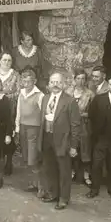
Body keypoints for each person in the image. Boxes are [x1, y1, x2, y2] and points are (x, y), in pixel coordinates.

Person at [37, 72, 81, 210]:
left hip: (63, 141)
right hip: (47, 138)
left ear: (63, 84)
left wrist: (74, 146)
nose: (55, 85)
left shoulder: (70, 101)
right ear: (49, 84)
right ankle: (53, 194)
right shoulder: (45, 98)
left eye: (58, 82)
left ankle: (63, 198)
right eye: (52, 82)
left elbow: (75, 125)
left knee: (64, 170)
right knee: (49, 168)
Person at [15, 67, 45, 195]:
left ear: (35, 81)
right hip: (23, 127)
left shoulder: (40, 95)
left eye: (29, 81)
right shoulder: (21, 93)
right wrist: (16, 129)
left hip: (34, 129)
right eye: (24, 81)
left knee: (33, 159)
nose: (26, 84)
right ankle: (33, 183)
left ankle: (42, 187)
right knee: (26, 158)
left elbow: (43, 114)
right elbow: (18, 112)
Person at [65, 69, 95, 186]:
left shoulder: (90, 94)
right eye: (78, 78)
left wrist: (82, 114)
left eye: (83, 78)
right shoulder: (68, 92)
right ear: (74, 79)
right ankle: (71, 172)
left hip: (84, 125)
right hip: (70, 125)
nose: (80, 81)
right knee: (71, 147)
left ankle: (86, 174)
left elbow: (93, 112)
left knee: (85, 149)